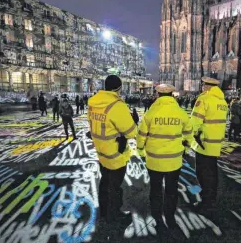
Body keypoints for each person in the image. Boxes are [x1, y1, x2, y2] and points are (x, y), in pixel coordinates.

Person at [137, 84, 192, 239]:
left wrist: (141, 149)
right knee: (171, 189)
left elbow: (141, 135)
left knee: (155, 188)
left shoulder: (151, 113)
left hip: (154, 160)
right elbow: (189, 133)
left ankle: (156, 213)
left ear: (158, 95)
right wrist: (186, 149)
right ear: (172, 95)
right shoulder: (180, 113)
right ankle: (169, 213)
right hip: (174, 161)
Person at [88, 75, 137, 226]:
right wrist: (134, 120)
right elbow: (131, 132)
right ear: (119, 88)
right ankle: (114, 215)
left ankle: (103, 211)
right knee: (114, 186)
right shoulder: (117, 105)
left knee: (105, 182)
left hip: (101, 150)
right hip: (115, 154)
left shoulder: (94, 102)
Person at [189, 77, 228, 214]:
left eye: (203, 85)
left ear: (207, 86)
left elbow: (194, 122)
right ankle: (211, 198)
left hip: (203, 142)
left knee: (203, 173)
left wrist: (187, 137)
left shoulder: (204, 99)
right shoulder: (222, 101)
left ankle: (207, 203)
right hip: (216, 143)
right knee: (212, 172)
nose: (202, 87)